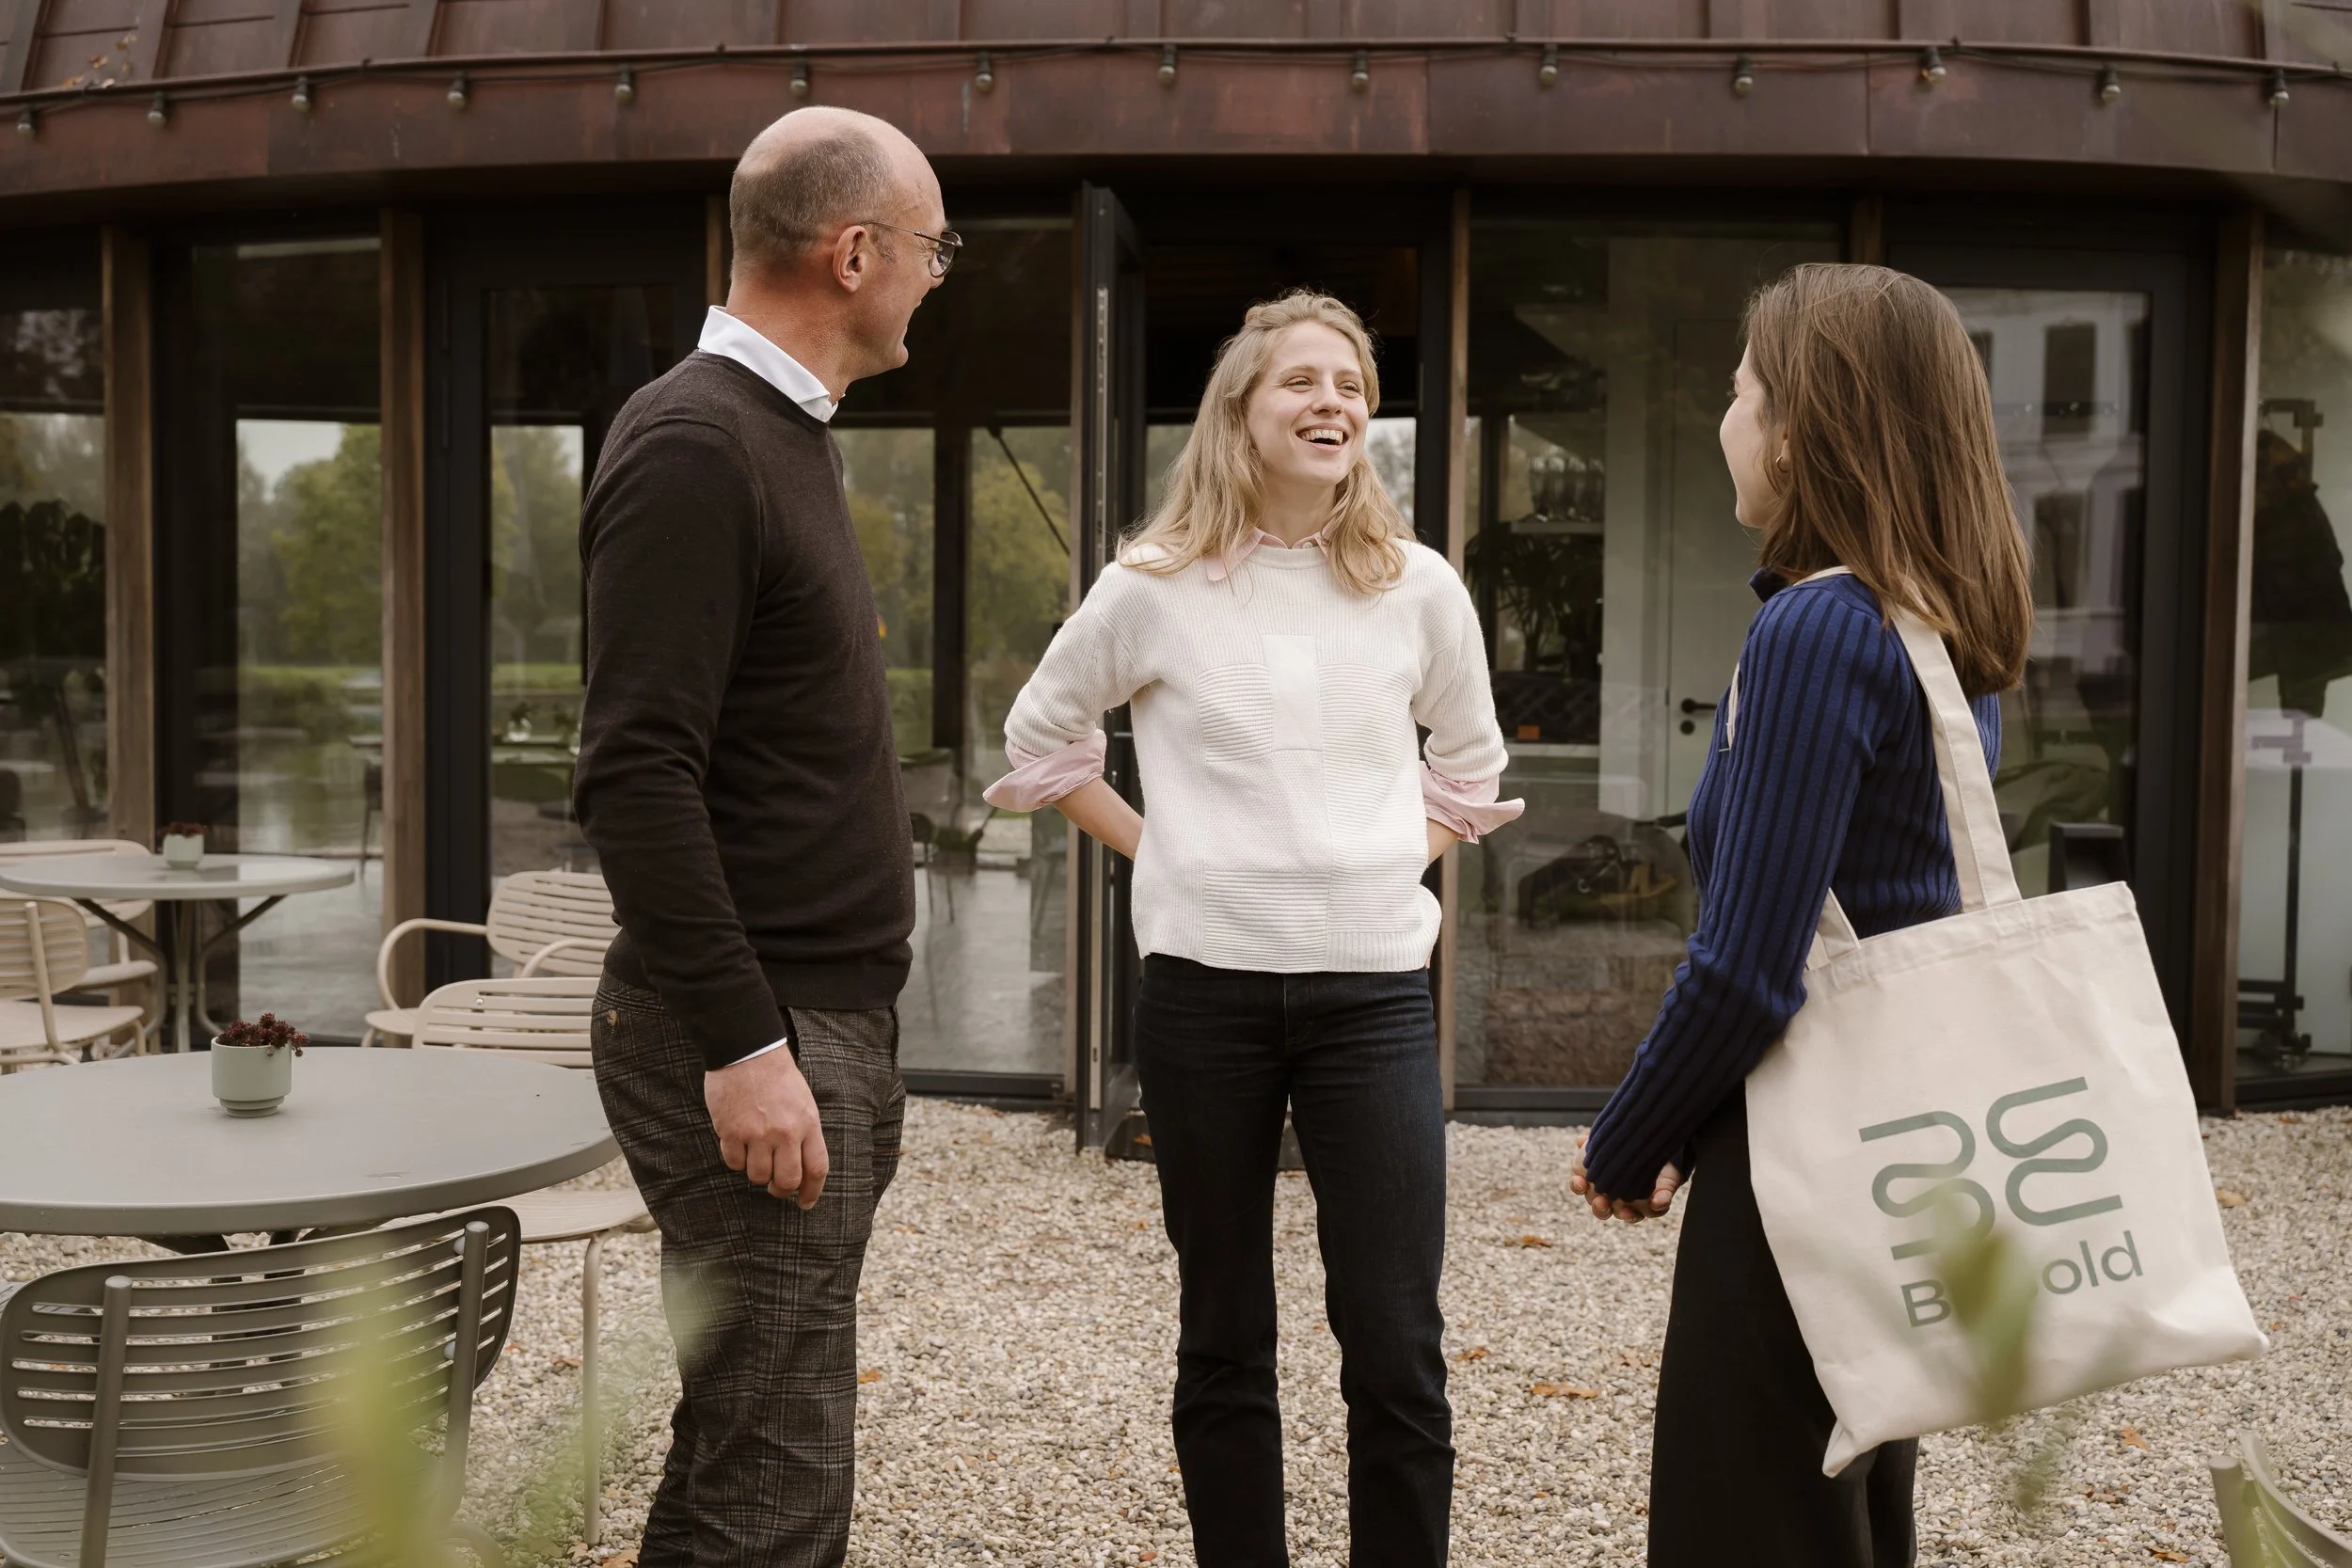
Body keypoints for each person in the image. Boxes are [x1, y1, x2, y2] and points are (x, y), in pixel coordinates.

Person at [985, 290, 1520, 1568]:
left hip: (1376, 1005)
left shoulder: (1418, 589)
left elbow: (1470, 761)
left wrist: (1396, 855)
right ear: (1242, 408)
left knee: (1395, 1342)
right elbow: (1040, 740)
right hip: (1204, 1003)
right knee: (1224, 1330)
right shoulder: (1151, 586)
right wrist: (1163, 845)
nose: (1332, 400)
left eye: (1350, 381)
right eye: (1301, 380)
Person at [1567, 263, 2034, 1567]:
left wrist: (1629, 1135)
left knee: (1750, 1513)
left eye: (1739, 391)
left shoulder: (1815, 632)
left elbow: (1750, 966)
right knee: (1847, 1507)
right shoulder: (1942, 631)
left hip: (1805, 1156)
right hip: (1903, 1148)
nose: (1727, 419)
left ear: (1799, 428)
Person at [572, 106, 953, 1568]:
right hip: (749, 1028)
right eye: (927, 249)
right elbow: (636, 775)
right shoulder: (695, 442)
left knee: (755, 1433)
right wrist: (744, 1047)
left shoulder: (781, 433)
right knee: (777, 1472)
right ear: (852, 252)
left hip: (813, 1019)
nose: (932, 275)